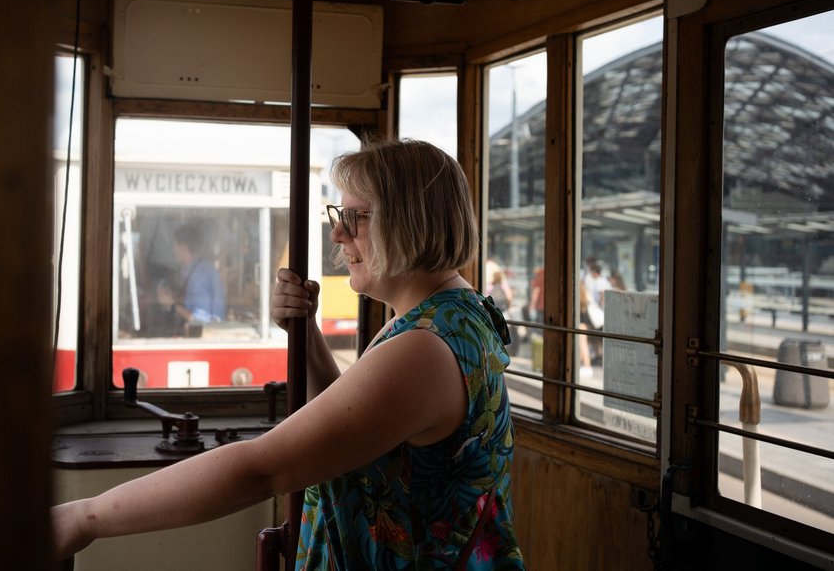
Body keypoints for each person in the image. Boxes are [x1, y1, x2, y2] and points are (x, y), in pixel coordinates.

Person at [51, 138, 527, 569]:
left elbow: (263, 468)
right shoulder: (455, 317)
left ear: (410, 220)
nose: (338, 235)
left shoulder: (425, 347)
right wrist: (306, 335)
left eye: (354, 217)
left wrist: (84, 517)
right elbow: (355, 427)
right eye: (338, 217)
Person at [156, 222, 226, 331]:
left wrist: (173, 305)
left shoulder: (201, 275)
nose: (173, 251)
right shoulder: (189, 269)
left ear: (183, 247)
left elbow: (202, 322)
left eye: (174, 246)